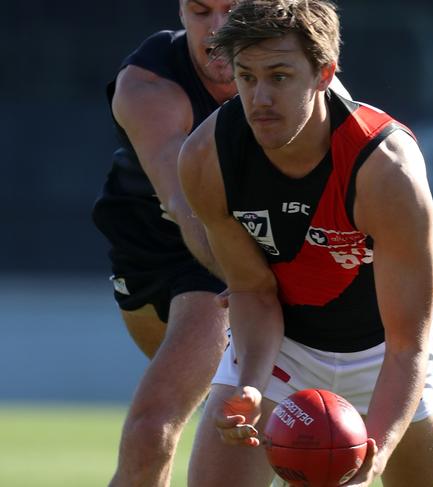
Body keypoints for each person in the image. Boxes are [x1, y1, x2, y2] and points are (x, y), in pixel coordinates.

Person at [178, 1, 433, 486]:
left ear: (324, 74)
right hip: (285, 349)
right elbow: (253, 292)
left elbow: (409, 342)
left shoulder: (386, 168)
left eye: (279, 76)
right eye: (246, 76)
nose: (259, 98)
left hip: (382, 351)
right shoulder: (205, 158)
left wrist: (377, 451)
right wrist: (251, 387)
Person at [91, 1, 236, 485]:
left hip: (228, 260)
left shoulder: (298, 78)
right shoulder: (148, 85)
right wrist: (249, 282)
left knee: (153, 429)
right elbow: (183, 201)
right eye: (200, 11)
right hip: (152, 251)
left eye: (234, 9)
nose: (216, 29)